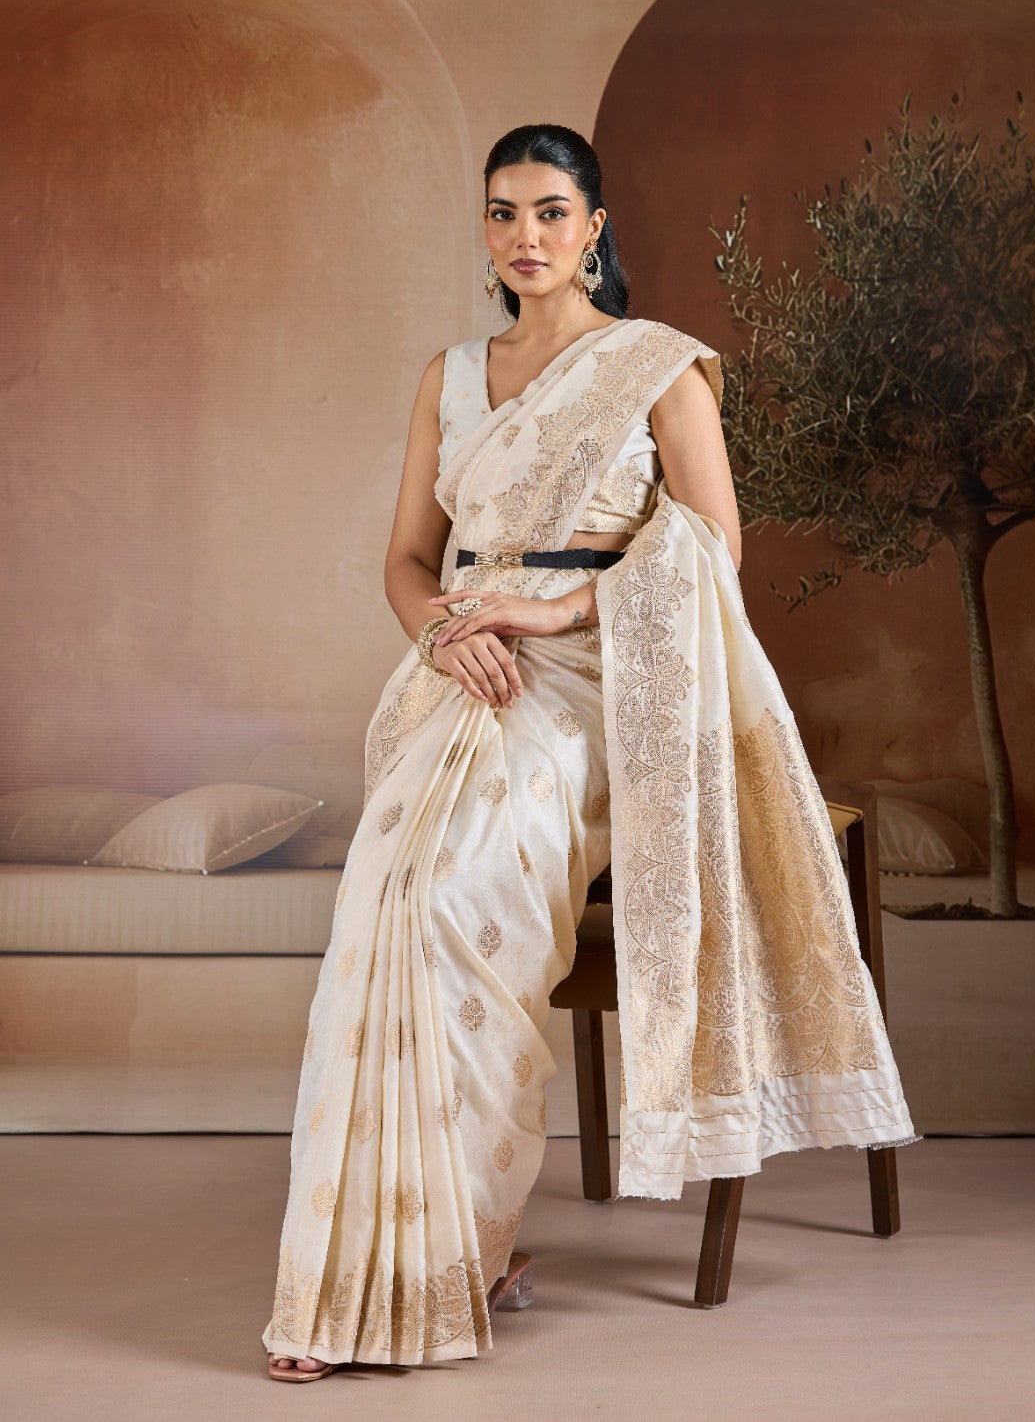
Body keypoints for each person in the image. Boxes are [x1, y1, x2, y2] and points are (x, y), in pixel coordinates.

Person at [263, 123, 919, 1381]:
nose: (527, 236)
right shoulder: (452, 375)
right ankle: (366, 1264)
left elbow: (710, 552)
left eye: (552, 212)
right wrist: (444, 630)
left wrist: (550, 613)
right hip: (461, 667)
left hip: (604, 678)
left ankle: (457, 1247)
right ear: (485, 229)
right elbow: (406, 559)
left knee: (459, 894)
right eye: (504, 213)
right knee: (386, 899)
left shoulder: (655, 365)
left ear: (595, 227)